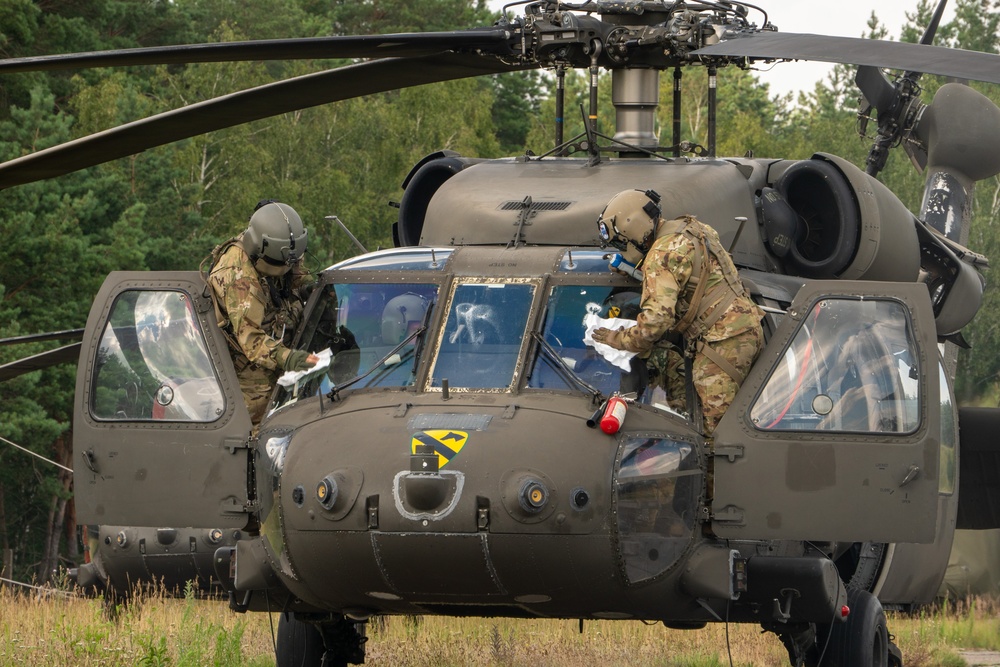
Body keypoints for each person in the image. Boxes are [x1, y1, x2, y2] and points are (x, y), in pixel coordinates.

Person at [591, 189, 764, 436]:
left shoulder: (660, 256)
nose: (622, 249)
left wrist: (616, 339)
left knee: (713, 437)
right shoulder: (694, 229)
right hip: (748, 328)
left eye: (622, 242)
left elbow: (654, 325)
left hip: (723, 342)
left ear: (636, 230)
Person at [207, 200, 318, 425]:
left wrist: (312, 290)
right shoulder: (239, 275)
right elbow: (251, 341)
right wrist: (289, 358)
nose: (286, 268)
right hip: (249, 371)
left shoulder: (286, 245)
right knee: (259, 430)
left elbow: (297, 277)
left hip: (280, 341)